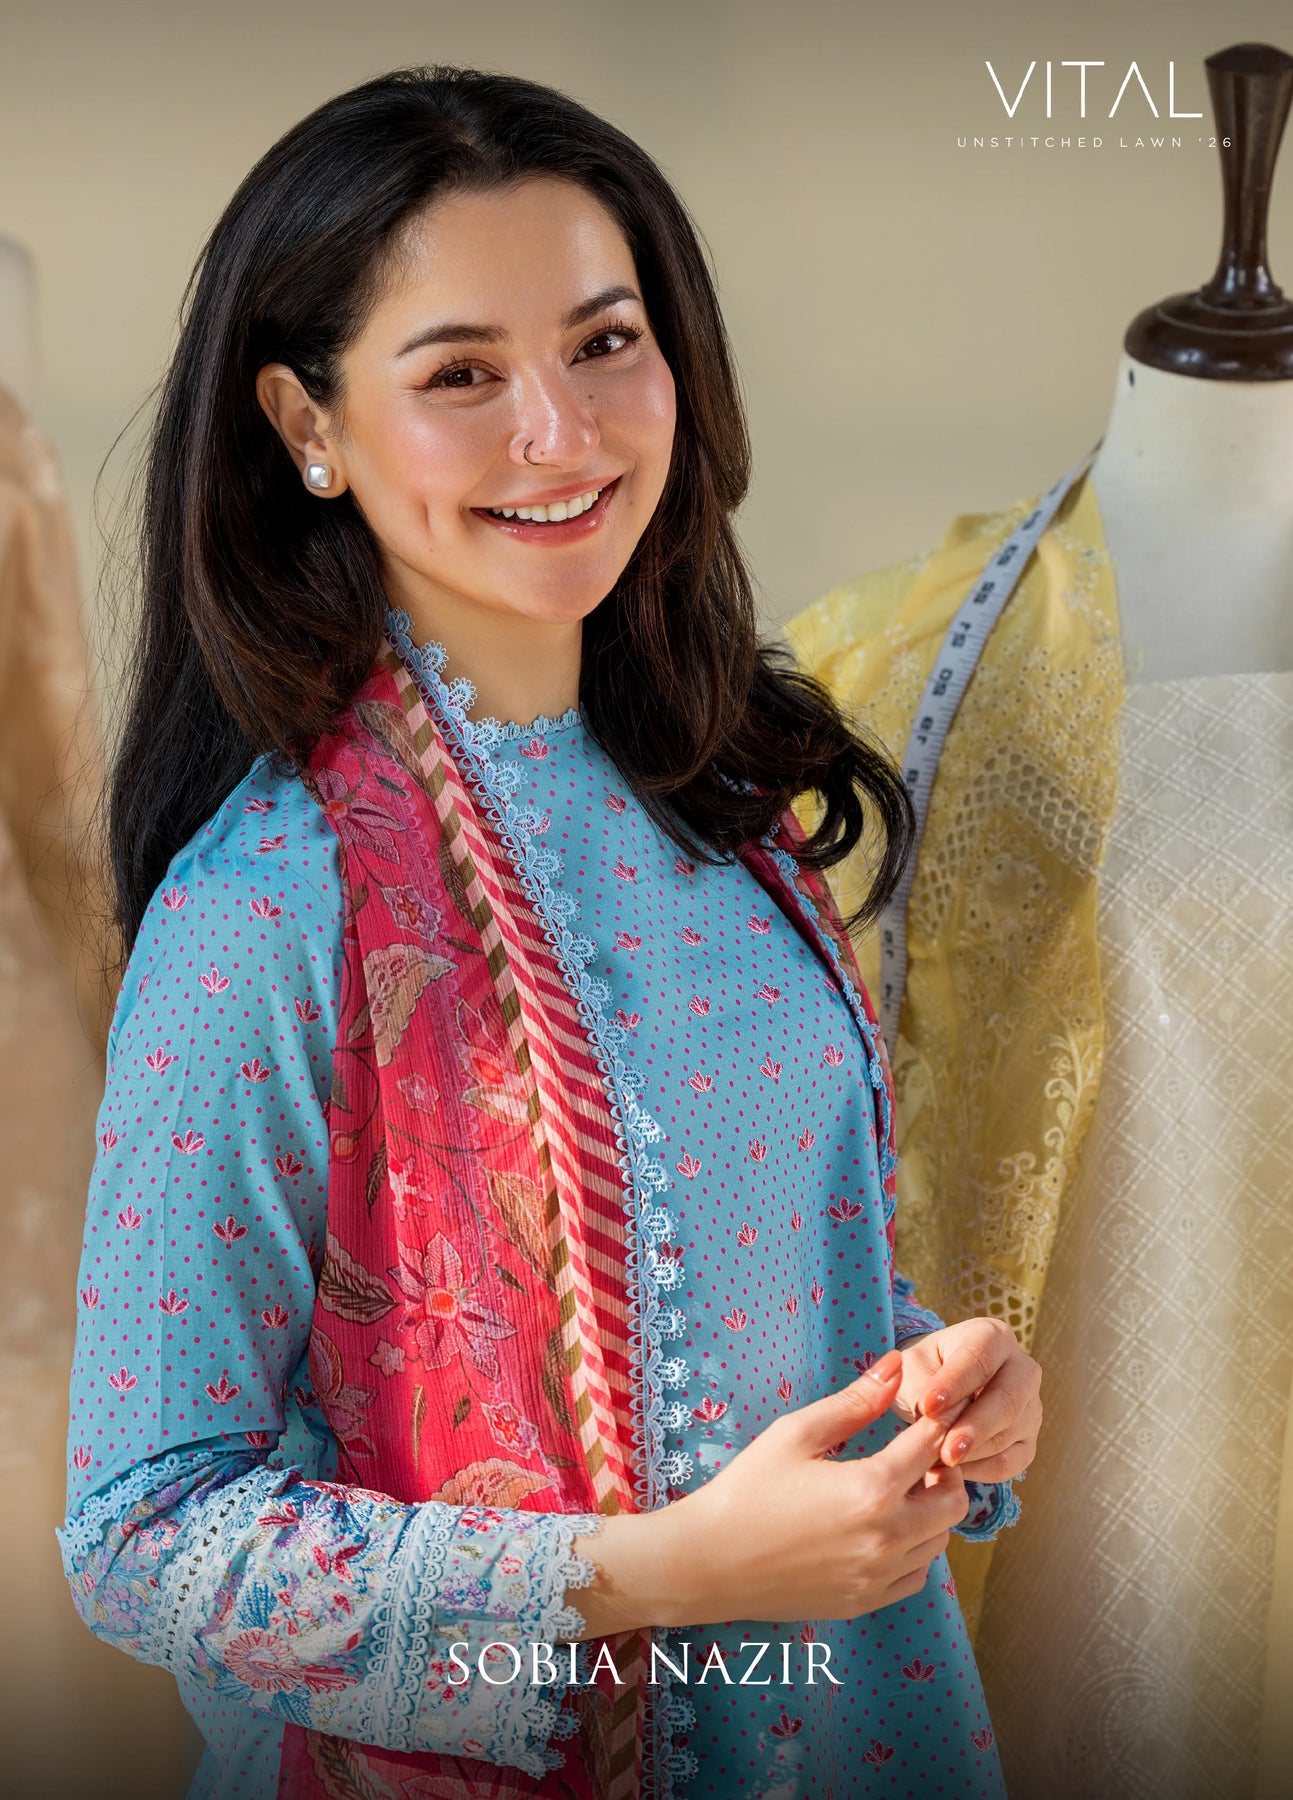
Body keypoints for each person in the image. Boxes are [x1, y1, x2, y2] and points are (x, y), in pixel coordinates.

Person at [57, 66, 1041, 1800]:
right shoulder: (275, 899)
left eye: (603, 343)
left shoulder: (726, 801)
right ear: (304, 422)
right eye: (460, 374)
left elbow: (741, 1293)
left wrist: (931, 1398)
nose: (561, 433)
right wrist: (662, 1576)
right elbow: (143, 1535)